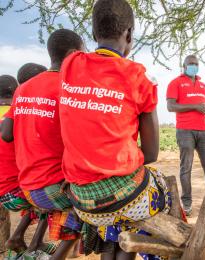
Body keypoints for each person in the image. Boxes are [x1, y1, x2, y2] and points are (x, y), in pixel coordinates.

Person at [58, 0, 170, 259]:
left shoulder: (70, 65)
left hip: (82, 200)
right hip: (122, 198)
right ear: (129, 35)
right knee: (161, 192)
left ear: (95, 34)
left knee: (114, 217)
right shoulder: (138, 78)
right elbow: (152, 154)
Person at [2, 29, 84, 260]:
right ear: (72, 54)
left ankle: (36, 244)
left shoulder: (23, 88)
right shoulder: (68, 88)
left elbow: (7, 133)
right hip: (52, 189)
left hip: (27, 187)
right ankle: (60, 255)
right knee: (92, 199)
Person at [166, 54, 205, 216]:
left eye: (196, 64)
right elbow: (170, 106)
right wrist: (194, 106)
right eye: (190, 63)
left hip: (204, 131)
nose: (193, 66)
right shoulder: (175, 83)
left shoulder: (202, 86)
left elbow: (204, 109)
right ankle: (186, 203)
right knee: (186, 168)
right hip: (185, 131)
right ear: (184, 66)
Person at [0, 72, 53, 258]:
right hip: (15, 193)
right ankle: (36, 242)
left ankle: (16, 237)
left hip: (4, 193)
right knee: (48, 193)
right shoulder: (20, 115)